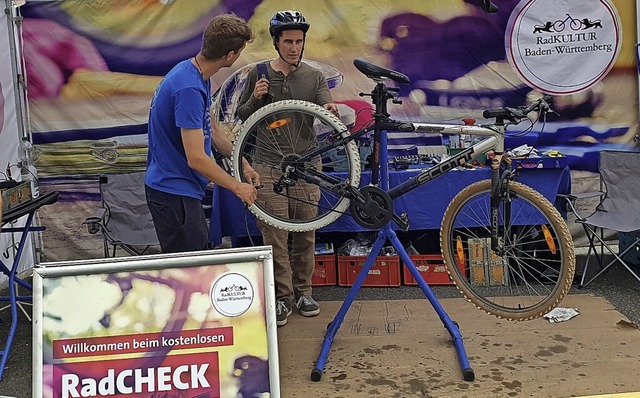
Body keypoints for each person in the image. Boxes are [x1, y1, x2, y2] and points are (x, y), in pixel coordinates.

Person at [236, 10, 339, 327]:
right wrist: (255, 98)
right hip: (268, 166)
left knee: (306, 234)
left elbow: (325, 104)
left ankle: (304, 292)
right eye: (288, 41)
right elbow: (242, 114)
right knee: (275, 237)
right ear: (277, 43)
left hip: (307, 165)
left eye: (299, 41)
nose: (294, 47)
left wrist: (330, 108)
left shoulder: (314, 77)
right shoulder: (259, 73)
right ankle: (282, 299)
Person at [145, 14, 260, 254]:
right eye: (239, 51)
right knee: (190, 271)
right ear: (230, 55)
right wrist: (237, 187)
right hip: (173, 191)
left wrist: (242, 162)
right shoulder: (188, 88)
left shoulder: (196, 74)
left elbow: (213, 129)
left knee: (195, 263)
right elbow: (196, 158)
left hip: (179, 189)